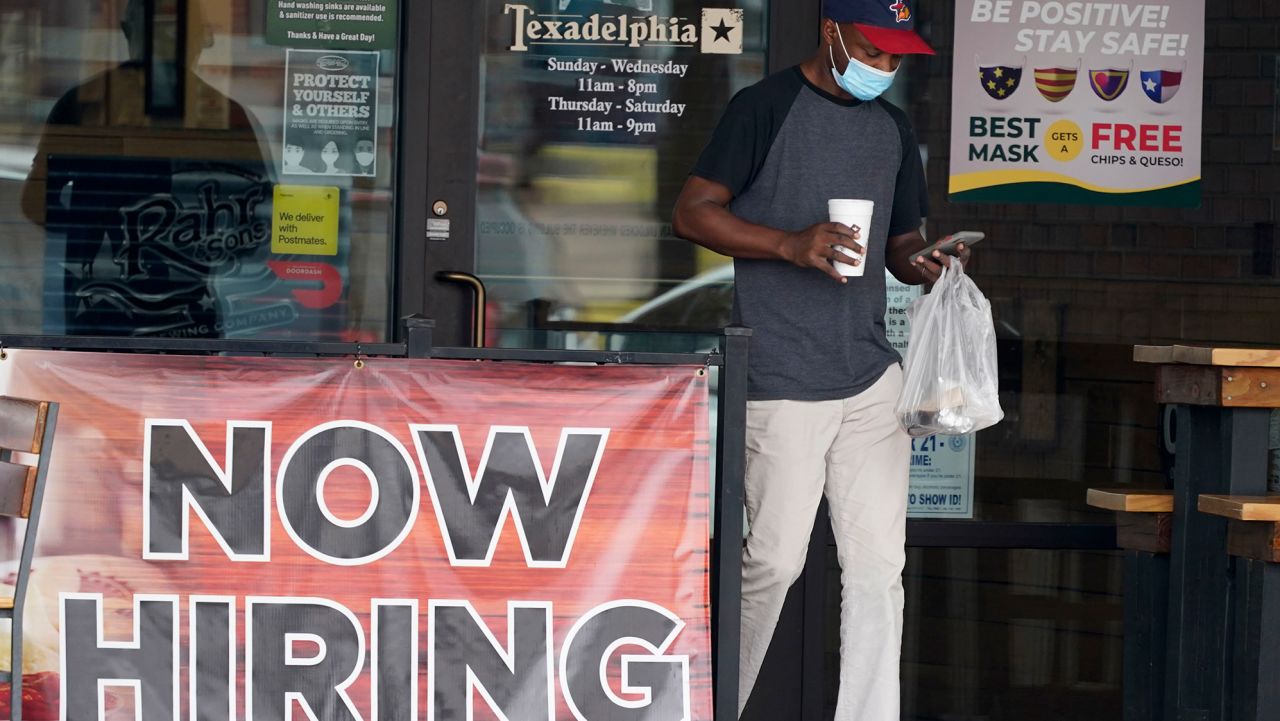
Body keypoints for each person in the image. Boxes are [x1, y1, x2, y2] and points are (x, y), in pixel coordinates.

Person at [671, 1, 972, 719]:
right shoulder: (763, 108)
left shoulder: (891, 128)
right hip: (780, 374)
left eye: (897, 58)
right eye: (874, 51)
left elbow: (900, 244)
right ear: (831, 31)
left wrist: (924, 261)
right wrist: (787, 244)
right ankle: (713, 705)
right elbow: (692, 211)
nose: (886, 68)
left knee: (877, 569)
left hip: (871, 373)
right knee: (774, 561)